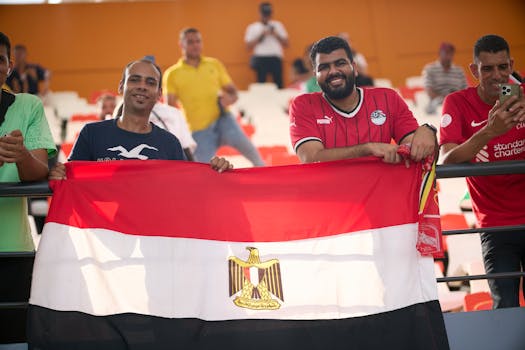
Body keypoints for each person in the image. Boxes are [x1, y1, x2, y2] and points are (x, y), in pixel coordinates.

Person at [439, 34, 525, 308]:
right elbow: (447, 160)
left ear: (511, 65)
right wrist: (489, 132)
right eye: (487, 68)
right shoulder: (458, 102)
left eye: (502, 67)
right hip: (495, 225)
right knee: (505, 308)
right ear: (474, 70)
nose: (497, 76)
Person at [50, 59, 231, 179]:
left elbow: (186, 188)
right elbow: (71, 181)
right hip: (104, 234)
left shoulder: (170, 143)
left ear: (159, 94)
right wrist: (60, 175)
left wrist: (216, 172)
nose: (142, 87)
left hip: (151, 234)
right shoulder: (92, 134)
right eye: (135, 80)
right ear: (121, 86)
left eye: (150, 82)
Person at [289, 36, 437, 165]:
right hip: (331, 196)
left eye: (340, 63)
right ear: (315, 74)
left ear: (354, 67)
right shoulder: (303, 105)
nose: (333, 71)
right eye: (324, 67)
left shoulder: (388, 98)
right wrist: (367, 149)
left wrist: (428, 132)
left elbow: (417, 152)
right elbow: (311, 158)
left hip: (380, 195)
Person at [163, 27, 265, 166]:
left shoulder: (214, 64)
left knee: (254, 154)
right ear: (181, 45)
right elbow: (170, 107)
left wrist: (230, 99)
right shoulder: (172, 74)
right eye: (190, 42)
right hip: (198, 130)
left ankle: (268, 180)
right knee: (199, 171)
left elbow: (233, 92)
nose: (195, 45)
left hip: (224, 120)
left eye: (198, 41)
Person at [0, 32, 57, 251]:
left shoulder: (29, 106)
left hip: (14, 248)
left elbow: (40, 172)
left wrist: (22, 155)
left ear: (9, 66)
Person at [244, 2, 288, 88]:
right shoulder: (253, 27)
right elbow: (248, 46)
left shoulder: (278, 25)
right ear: (260, 13)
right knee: (261, 84)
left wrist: (275, 34)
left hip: (275, 57)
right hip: (260, 58)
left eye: (268, 14)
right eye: (264, 14)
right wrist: (261, 35)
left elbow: (286, 43)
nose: (267, 16)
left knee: (278, 83)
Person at [422, 42, 468, 114]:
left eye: (451, 53)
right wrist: (446, 100)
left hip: (457, 101)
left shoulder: (459, 70)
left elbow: (465, 90)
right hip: (437, 102)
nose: (449, 56)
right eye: (446, 53)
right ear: (439, 53)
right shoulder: (430, 69)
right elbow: (429, 90)